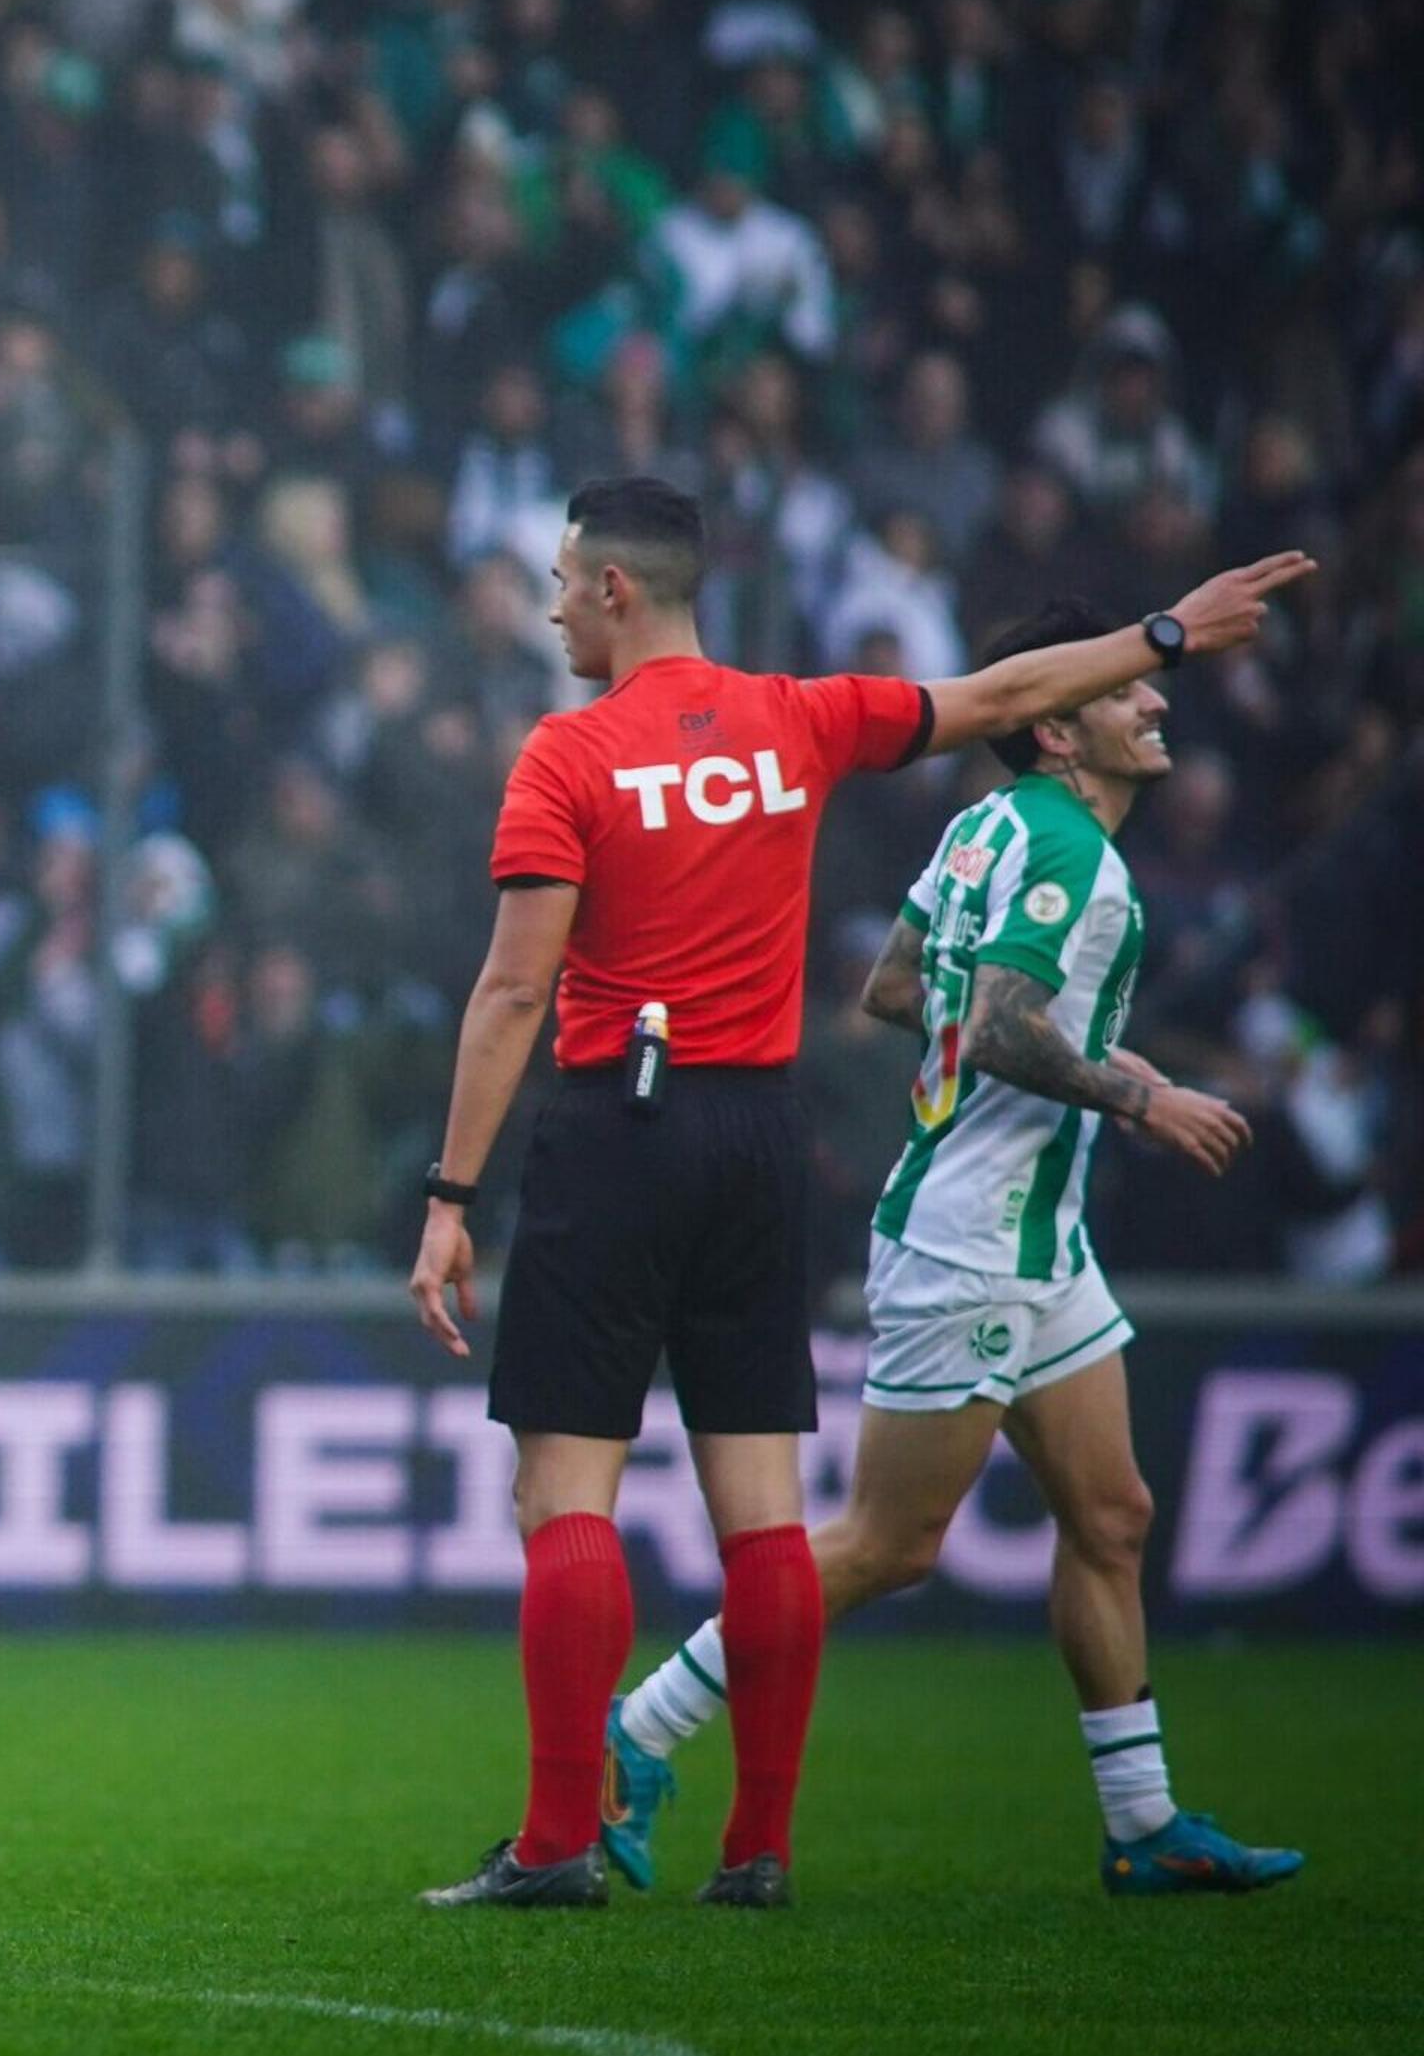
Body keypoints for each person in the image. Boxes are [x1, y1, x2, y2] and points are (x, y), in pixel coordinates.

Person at [406, 477, 1310, 1910]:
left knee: (562, 1486)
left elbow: (518, 984)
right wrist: (1166, 635)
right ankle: (756, 1847)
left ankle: (559, 1839)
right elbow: (1004, 691)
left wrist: (451, 1189)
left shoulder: (566, 755)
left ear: (619, 591)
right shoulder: (798, 717)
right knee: (765, 1519)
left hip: (621, 1127)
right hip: (761, 1139)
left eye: (568, 579)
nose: (558, 601)